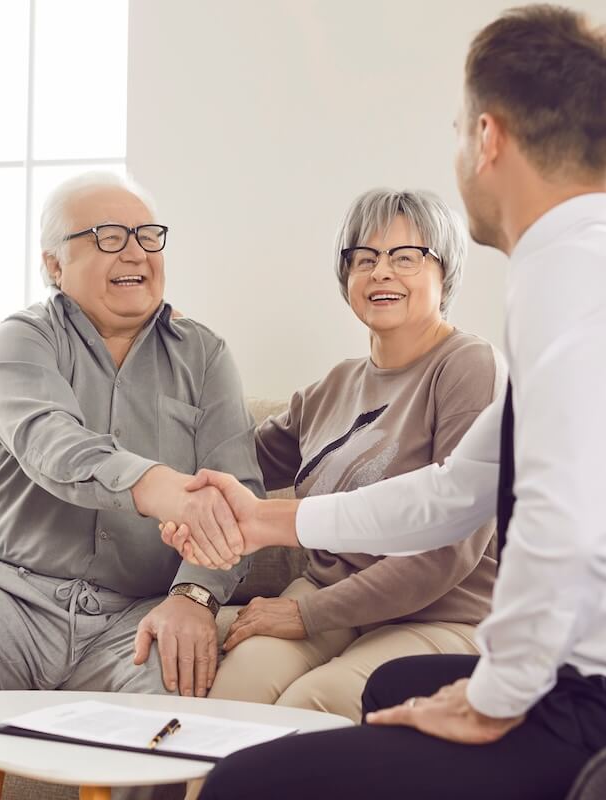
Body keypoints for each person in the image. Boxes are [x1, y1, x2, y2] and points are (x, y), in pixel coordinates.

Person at [163, 7, 606, 799]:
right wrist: (263, 519)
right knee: (390, 689)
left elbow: (562, 519)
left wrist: (496, 694)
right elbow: (452, 493)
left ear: (487, 138)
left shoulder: (570, 278)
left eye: (455, 133)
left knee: (253, 783)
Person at [0, 171, 264, 800]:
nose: (136, 251)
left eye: (147, 235)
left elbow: (239, 490)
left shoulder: (205, 356)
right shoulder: (19, 342)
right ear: (54, 264)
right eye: (109, 237)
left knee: (178, 701)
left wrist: (194, 594)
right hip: (6, 599)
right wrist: (155, 484)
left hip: (136, 613)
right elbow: (51, 443)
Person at [199, 188, 500, 725]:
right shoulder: (333, 386)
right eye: (364, 258)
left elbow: (450, 549)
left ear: (444, 270)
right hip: (330, 600)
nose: (382, 272)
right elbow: (233, 463)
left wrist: (306, 613)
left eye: (406, 257)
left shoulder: (468, 366)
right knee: (231, 697)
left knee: (309, 706)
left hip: (440, 613)